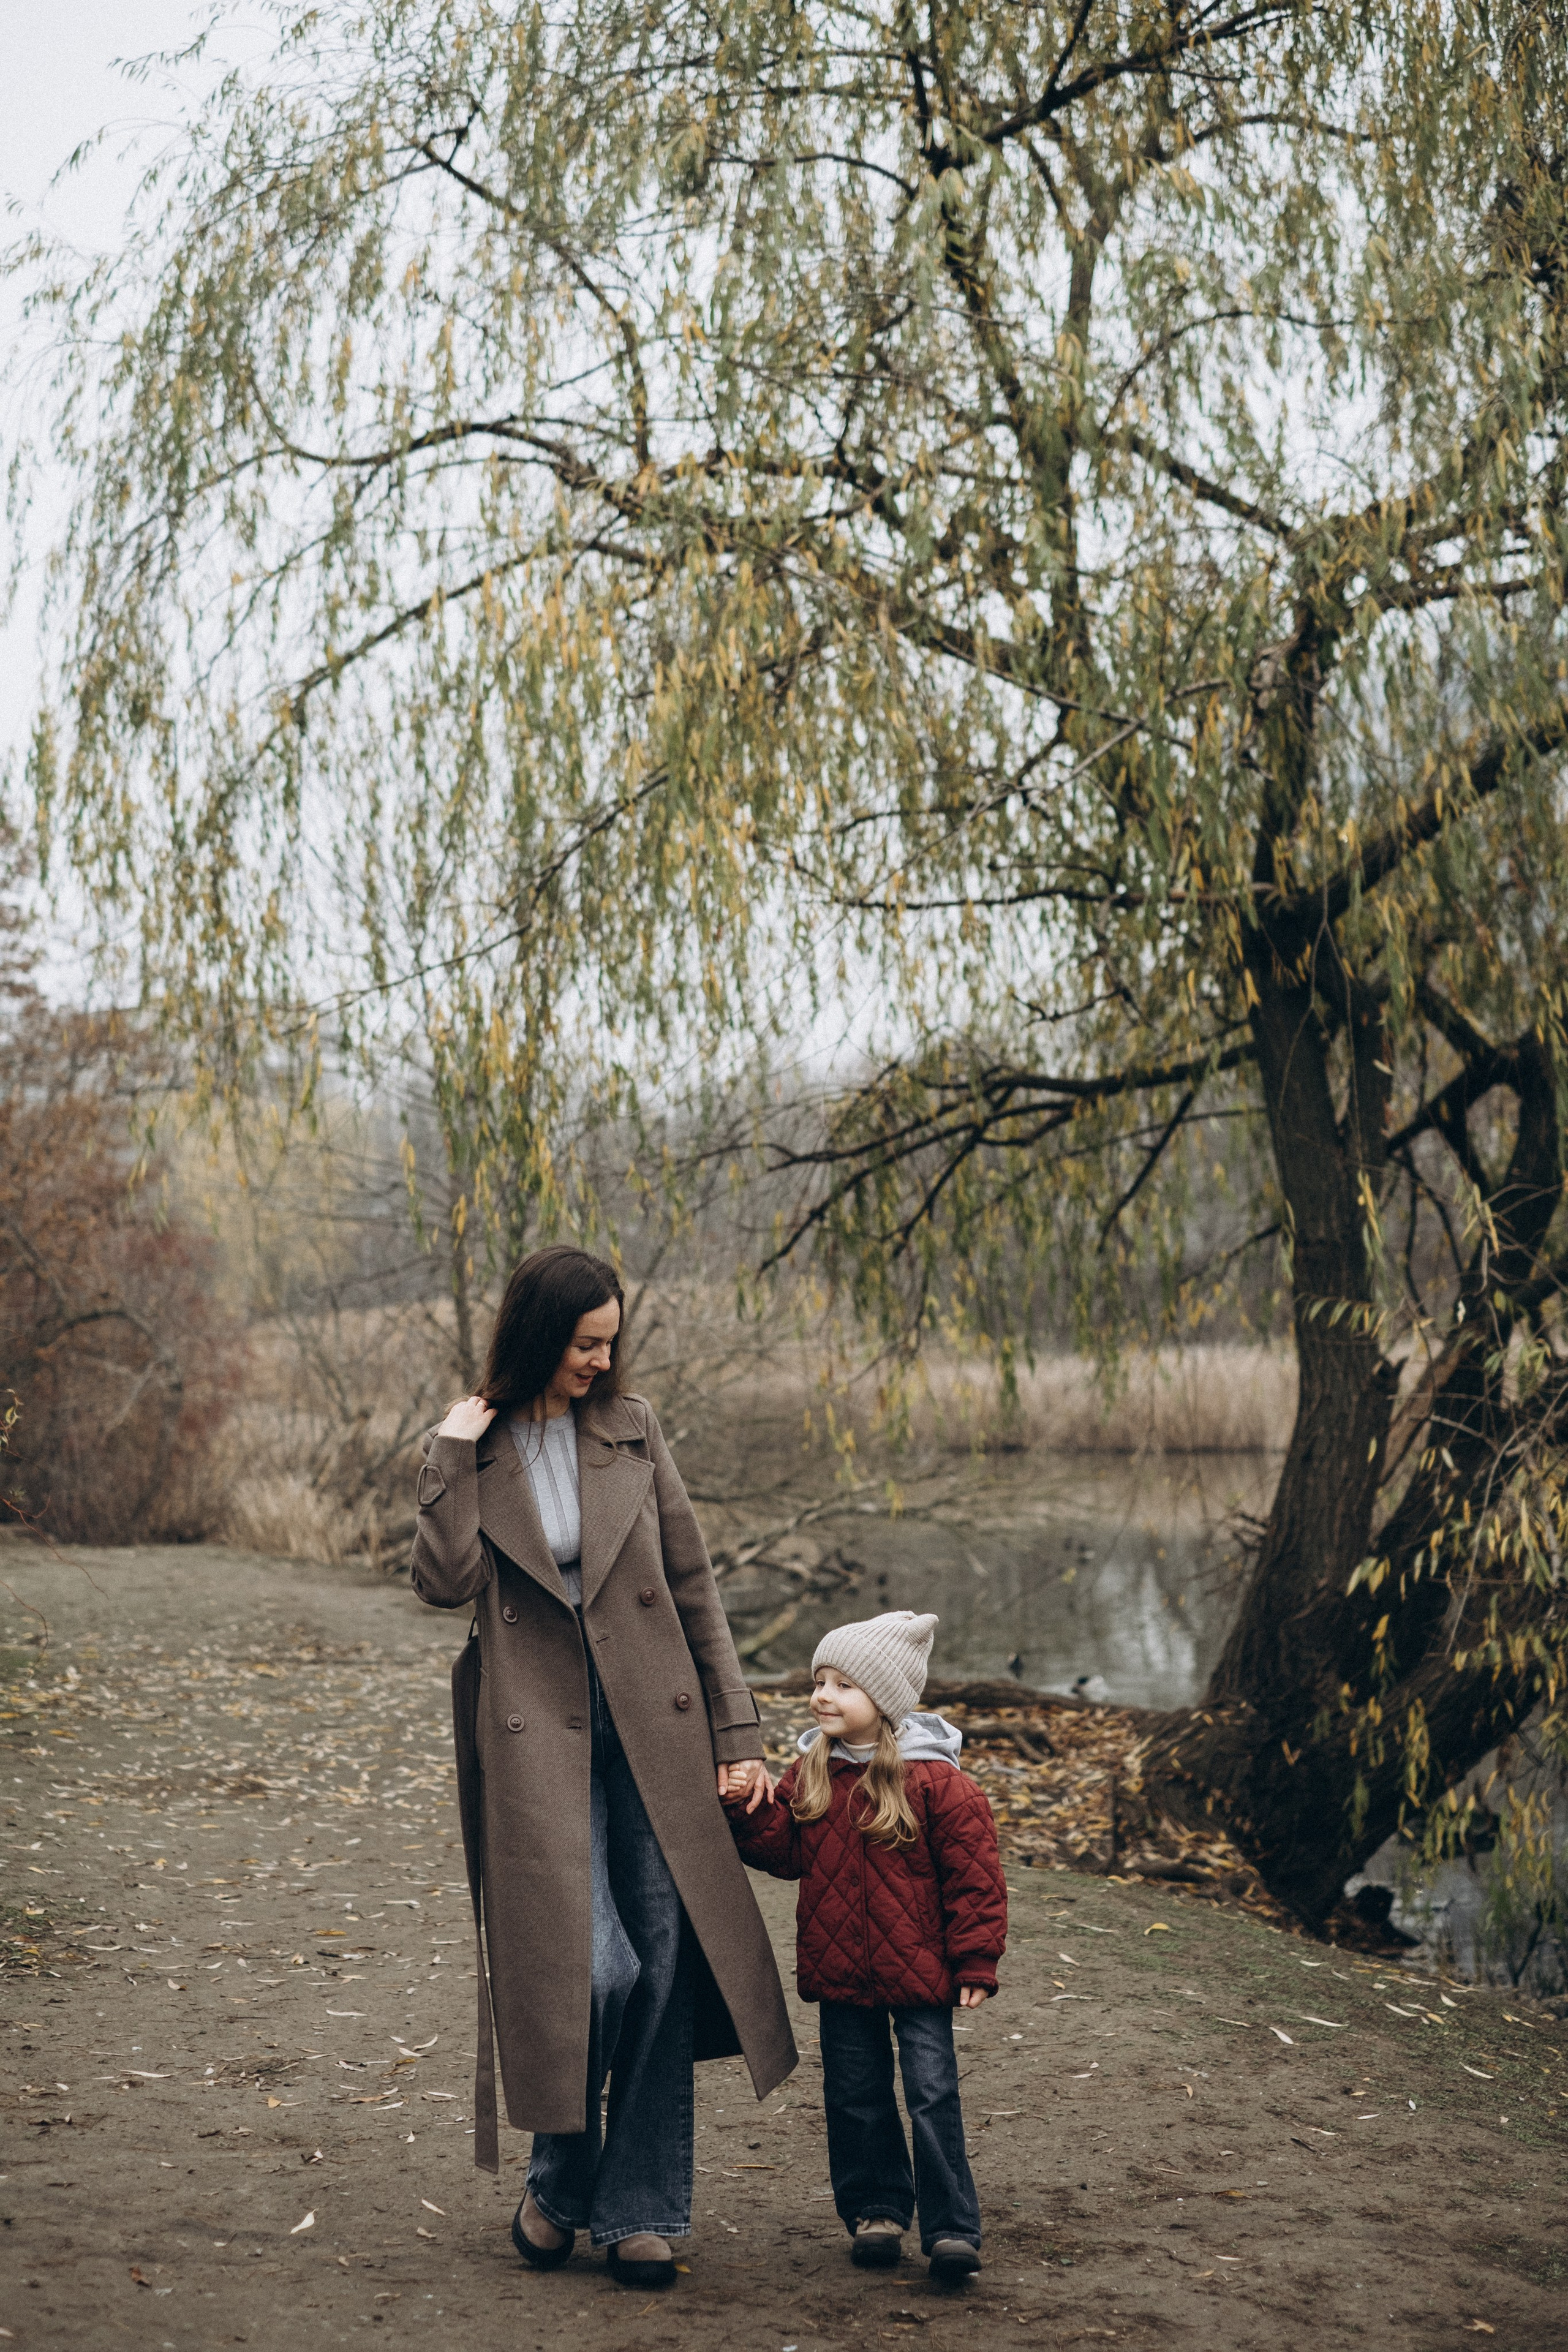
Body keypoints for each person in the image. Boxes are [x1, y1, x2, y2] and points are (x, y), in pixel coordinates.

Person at [410, 1244, 796, 2288]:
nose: (601, 1360)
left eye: (611, 1342)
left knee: (666, 1957)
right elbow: (441, 1583)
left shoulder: (633, 1430)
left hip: (654, 1722)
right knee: (593, 1965)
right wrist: (449, 1448)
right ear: (541, 1335)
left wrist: (739, 1734)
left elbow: (696, 1586)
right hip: (535, 1731)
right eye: (586, 1343)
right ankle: (561, 2183)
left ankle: (637, 2209)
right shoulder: (475, 1448)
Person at [723, 1610, 1006, 2281]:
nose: (822, 1695)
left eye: (843, 1685)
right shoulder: (810, 1773)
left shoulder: (940, 1785)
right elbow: (785, 1855)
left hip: (924, 1974)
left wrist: (976, 1960)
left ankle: (950, 2228)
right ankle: (875, 2210)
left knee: (932, 2094)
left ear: (885, 1700)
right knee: (855, 2095)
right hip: (841, 1968)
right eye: (821, 1680)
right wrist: (750, 1806)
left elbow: (975, 1880)